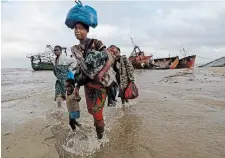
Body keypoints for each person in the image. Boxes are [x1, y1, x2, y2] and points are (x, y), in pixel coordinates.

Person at [71, 22, 114, 139]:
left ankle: (100, 140)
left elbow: (110, 58)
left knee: (97, 111)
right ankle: (98, 130)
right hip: (87, 85)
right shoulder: (75, 49)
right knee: (92, 111)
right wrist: (76, 88)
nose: (77, 31)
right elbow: (81, 69)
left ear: (87, 30)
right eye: (76, 28)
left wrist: (101, 73)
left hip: (101, 84)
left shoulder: (96, 42)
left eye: (81, 28)